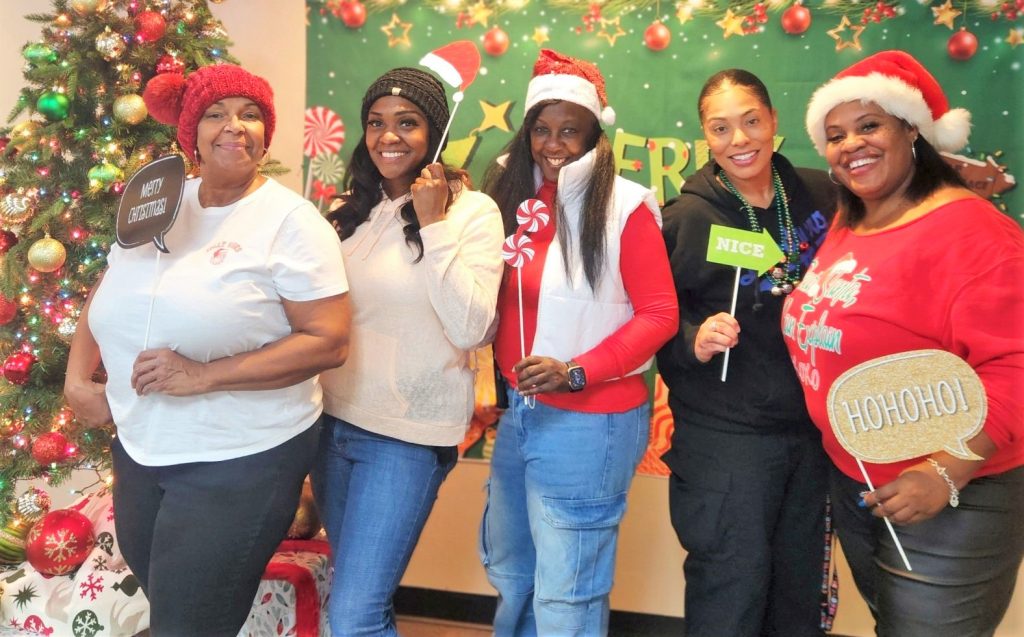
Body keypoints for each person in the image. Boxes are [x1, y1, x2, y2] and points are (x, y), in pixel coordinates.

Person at [63, 64, 351, 637]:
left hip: (240, 455)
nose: (234, 127)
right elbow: (110, 288)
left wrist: (202, 375)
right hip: (143, 447)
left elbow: (330, 340)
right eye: (217, 114)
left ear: (266, 133)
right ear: (190, 131)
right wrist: (78, 377)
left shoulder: (291, 222)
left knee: (189, 623)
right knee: (173, 607)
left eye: (250, 115)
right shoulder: (161, 198)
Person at [789, 50, 1024, 635]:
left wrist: (946, 471)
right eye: (836, 134)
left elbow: (1018, 366)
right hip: (864, 486)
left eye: (869, 125)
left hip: (950, 494)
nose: (851, 145)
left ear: (911, 131)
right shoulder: (854, 221)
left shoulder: (973, 233)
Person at [478, 49, 679, 636]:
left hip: (591, 422)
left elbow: (661, 314)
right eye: (541, 129)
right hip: (522, 414)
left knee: (567, 594)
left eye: (570, 129)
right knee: (514, 573)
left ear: (595, 132)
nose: (553, 143)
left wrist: (577, 370)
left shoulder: (624, 206)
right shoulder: (514, 201)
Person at [310, 67, 505, 637]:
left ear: (435, 132)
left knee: (355, 615)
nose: (387, 137)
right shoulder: (349, 208)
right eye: (376, 123)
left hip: (406, 437)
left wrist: (434, 220)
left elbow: (473, 327)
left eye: (407, 123)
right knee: (353, 598)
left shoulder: (474, 212)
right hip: (331, 424)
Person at [655, 69, 836, 637]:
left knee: (797, 594)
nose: (740, 140)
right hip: (726, 440)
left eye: (751, 121)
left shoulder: (823, 194)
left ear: (773, 121)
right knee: (731, 589)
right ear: (706, 137)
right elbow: (655, 315)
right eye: (722, 128)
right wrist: (695, 338)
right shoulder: (687, 218)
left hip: (808, 433)